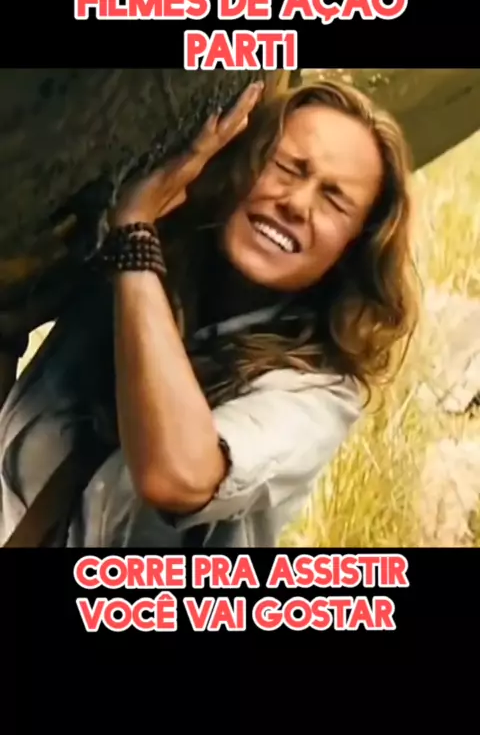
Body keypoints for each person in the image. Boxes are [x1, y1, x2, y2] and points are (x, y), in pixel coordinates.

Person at [0, 78, 419, 547]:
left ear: (352, 250)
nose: (297, 204)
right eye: (285, 167)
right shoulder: (146, 261)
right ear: (240, 160)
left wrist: (135, 241)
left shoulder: (317, 396)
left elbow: (177, 478)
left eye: (334, 201)